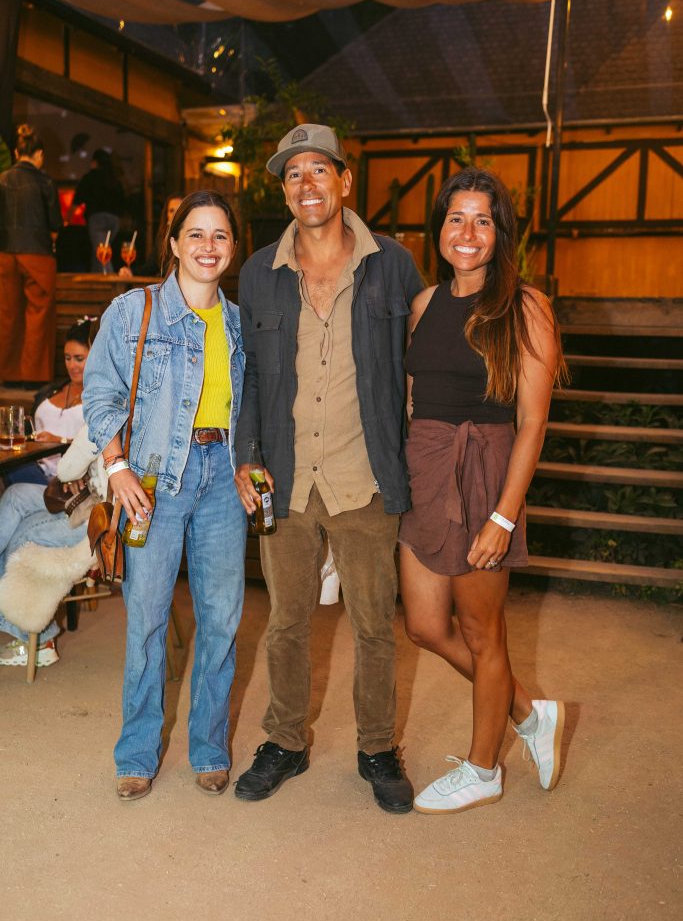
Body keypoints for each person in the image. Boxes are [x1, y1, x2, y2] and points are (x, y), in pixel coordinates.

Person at [233, 123, 423, 814]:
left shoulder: (393, 264)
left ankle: (377, 748)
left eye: (319, 169)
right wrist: (247, 457)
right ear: (283, 192)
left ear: (344, 180)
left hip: (364, 475)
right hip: (284, 478)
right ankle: (285, 740)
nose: (306, 183)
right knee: (286, 622)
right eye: (293, 174)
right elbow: (251, 376)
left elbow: (418, 361)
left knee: (373, 624)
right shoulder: (258, 272)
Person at [399, 167, 567, 814]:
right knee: (422, 625)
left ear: (500, 235)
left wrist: (503, 515)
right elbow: (413, 400)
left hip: (484, 474)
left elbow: (533, 422)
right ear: (438, 229)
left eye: (482, 221)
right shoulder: (423, 304)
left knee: (480, 630)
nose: (467, 233)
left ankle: (483, 769)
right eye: (456, 218)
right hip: (426, 471)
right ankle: (528, 712)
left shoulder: (525, 306)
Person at [83, 190, 246, 802]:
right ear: (173, 243)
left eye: (220, 235)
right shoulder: (134, 310)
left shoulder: (238, 322)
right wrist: (117, 465)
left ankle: (209, 747)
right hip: (152, 481)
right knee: (147, 619)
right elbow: (99, 392)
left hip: (222, 477)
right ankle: (136, 753)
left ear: (233, 247)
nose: (208, 246)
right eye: (195, 234)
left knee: (222, 620)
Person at [0, 424, 106, 669]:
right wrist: (83, 475)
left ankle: (40, 642)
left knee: (23, 535)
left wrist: (77, 471)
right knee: (16, 495)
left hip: (101, 520)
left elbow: (67, 467)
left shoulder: (103, 416)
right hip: (91, 497)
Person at [0, 124, 62, 384]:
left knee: (7, 313)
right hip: (37, 254)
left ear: (16, 153)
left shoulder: (2, 179)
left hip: (5, 254)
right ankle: (33, 377)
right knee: (38, 315)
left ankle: (7, 374)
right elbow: (55, 224)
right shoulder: (45, 182)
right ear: (39, 154)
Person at [4, 317, 94, 487]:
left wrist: (59, 440)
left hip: (66, 478)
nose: (72, 365)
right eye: (67, 358)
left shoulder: (99, 400)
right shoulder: (51, 391)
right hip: (32, 466)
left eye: (79, 358)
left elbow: (99, 447)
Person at [67, 148, 125, 273]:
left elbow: (76, 202)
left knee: (102, 254)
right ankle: (96, 280)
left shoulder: (90, 177)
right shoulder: (114, 179)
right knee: (98, 253)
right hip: (115, 221)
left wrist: (67, 220)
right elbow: (123, 203)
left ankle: (109, 281)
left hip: (97, 219)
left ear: (95, 162)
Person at [118, 193, 183, 278]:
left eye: (178, 210)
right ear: (166, 215)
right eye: (171, 211)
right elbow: (151, 266)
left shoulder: (192, 237)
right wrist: (131, 272)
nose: (174, 214)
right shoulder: (162, 237)